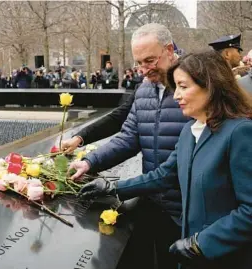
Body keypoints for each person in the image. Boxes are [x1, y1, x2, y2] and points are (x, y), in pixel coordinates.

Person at [78, 51, 252, 269]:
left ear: (211, 85)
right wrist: (113, 188)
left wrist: (201, 244)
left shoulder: (240, 132)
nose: (176, 95)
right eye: (175, 87)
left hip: (225, 258)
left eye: (183, 86)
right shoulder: (190, 130)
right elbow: (165, 175)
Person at [68, 23, 190, 269]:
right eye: (139, 63)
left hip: (188, 207)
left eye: (150, 61)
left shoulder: (194, 86)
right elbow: (128, 138)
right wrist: (90, 161)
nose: (144, 70)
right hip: (153, 200)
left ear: (169, 49)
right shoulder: (144, 89)